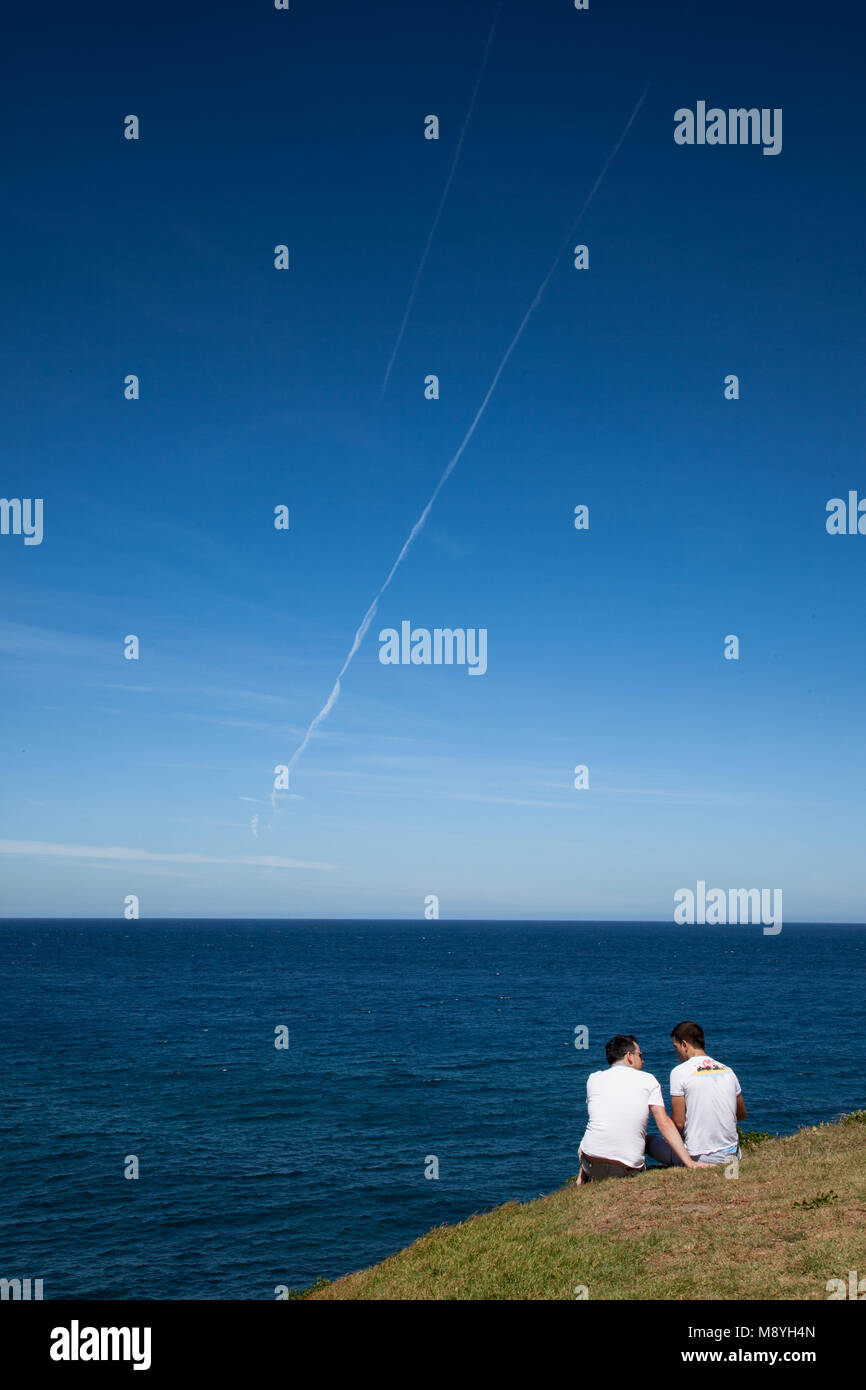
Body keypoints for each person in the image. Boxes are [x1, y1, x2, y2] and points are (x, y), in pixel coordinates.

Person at [577, 1034, 704, 1182]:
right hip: (625, 1169)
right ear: (629, 1056)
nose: (643, 1060)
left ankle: (581, 1179)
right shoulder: (648, 1080)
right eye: (640, 1055)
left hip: (591, 1165)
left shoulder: (593, 1078)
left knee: (596, 1129)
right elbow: (664, 1124)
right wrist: (689, 1162)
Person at [645, 1021, 746, 1167]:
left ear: (685, 1045)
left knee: (646, 1141)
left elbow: (679, 1123)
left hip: (701, 1157)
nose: (675, 1052)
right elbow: (741, 1115)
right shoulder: (727, 1070)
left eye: (676, 1047)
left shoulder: (680, 1072)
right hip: (733, 1154)